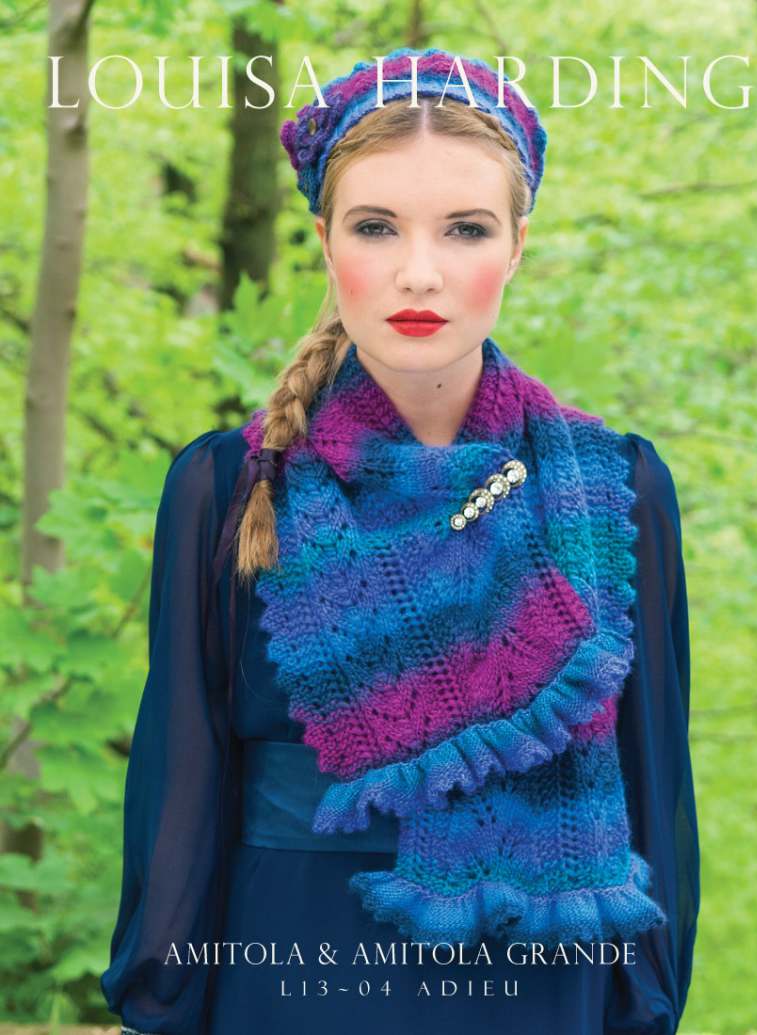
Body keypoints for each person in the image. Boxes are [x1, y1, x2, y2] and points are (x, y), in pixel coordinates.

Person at [100, 47, 700, 1035]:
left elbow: (655, 783)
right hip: (286, 969)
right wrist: (163, 1006)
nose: (419, 272)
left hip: (545, 983)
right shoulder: (228, 486)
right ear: (325, 238)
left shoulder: (619, 489)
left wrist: (641, 1011)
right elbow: (181, 789)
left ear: (516, 246)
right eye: (375, 227)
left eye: (466, 229)